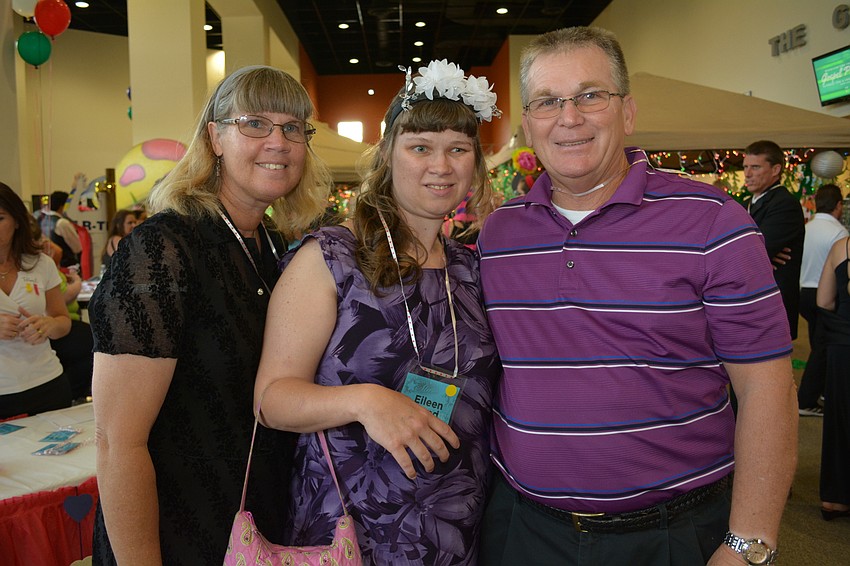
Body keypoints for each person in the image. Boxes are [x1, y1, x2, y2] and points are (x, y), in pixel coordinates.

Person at [477, 27, 797, 565]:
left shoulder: (714, 223)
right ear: (528, 124)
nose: (569, 117)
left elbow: (768, 390)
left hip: (672, 536)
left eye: (590, 95)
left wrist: (748, 544)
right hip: (522, 530)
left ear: (627, 112)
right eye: (548, 102)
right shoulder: (499, 235)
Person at [254, 60, 502, 564]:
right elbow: (271, 401)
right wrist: (367, 402)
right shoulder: (330, 258)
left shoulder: (471, 269)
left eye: (458, 149)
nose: (442, 166)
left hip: (455, 530)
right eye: (420, 148)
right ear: (389, 155)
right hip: (349, 531)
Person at [89, 65, 332, 564]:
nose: (278, 141)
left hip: (252, 521)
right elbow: (118, 444)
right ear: (215, 137)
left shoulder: (271, 246)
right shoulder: (163, 250)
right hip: (175, 531)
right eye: (255, 124)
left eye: (292, 128)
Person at [0, 182, 72, 420]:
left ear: (17, 221)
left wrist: (49, 325)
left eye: (0, 218)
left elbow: (63, 321)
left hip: (47, 383)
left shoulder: (41, 263)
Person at [744, 140, 806, 340]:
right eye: (745, 167)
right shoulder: (745, 204)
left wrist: (758, 252)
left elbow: (755, 251)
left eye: (755, 167)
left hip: (772, 303)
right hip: (747, 301)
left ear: (776, 169)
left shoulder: (784, 204)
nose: (747, 174)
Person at [31, 218, 93, 402]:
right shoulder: (44, 264)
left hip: (54, 333)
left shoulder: (44, 265)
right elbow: (64, 298)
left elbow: (60, 319)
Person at [798, 184, 848, 416]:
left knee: (819, 344)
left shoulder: (806, 228)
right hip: (826, 293)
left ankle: (821, 391)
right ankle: (807, 398)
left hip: (804, 292)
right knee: (823, 348)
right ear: (839, 205)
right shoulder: (839, 233)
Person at [817, 234, 850, 522]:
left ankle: (834, 497)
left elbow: (824, 301)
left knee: (839, 418)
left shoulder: (842, 246)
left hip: (843, 345)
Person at [35, 189, 84, 269]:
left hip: (44, 265)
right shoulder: (62, 223)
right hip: (65, 267)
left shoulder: (39, 219)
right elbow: (77, 248)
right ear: (62, 206)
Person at [99, 208, 138, 273]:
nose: (134, 225)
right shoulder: (117, 239)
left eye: (135, 222)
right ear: (119, 225)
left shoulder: (116, 239)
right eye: (130, 223)